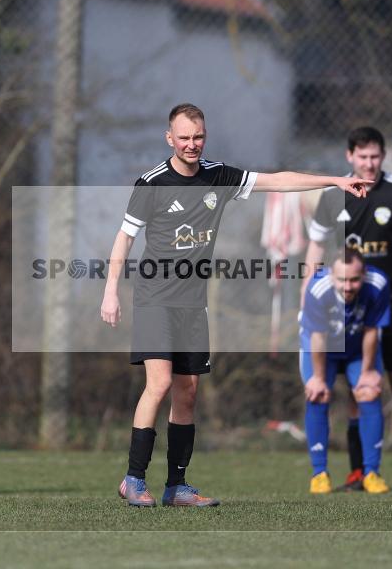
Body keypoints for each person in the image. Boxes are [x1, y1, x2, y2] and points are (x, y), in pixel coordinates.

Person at [100, 103, 371, 507]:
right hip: (155, 298)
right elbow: (124, 239)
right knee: (158, 384)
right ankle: (134, 479)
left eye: (198, 137)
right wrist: (110, 291)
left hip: (193, 303)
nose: (192, 145)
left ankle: (177, 486)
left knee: (187, 393)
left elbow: (279, 181)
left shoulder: (219, 176)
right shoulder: (152, 183)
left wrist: (335, 180)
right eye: (184, 138)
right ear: (169, 138)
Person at [302, 126, 392, 492]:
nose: (369, 163)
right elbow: (316, 246)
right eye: (362, 157)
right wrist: (306, 291)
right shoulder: (335, 196)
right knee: (358, 388)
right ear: (350, 156)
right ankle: (359, 471)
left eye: (375, 156)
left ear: (383, 155)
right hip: (355, 303)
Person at [300, 246, 390, 495]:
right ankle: (319, 474)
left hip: (357, 347)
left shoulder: (378, 284)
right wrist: (318, 379)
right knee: (317, 395)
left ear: (364, 274)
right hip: (322, 349)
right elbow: (317, 337)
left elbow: (372, 329)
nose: (348, 286)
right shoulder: (317, 289)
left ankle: (371, 472)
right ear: (331, 275)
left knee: (369, 392)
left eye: (354, 279)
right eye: (342, 280)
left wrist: (368, 372)